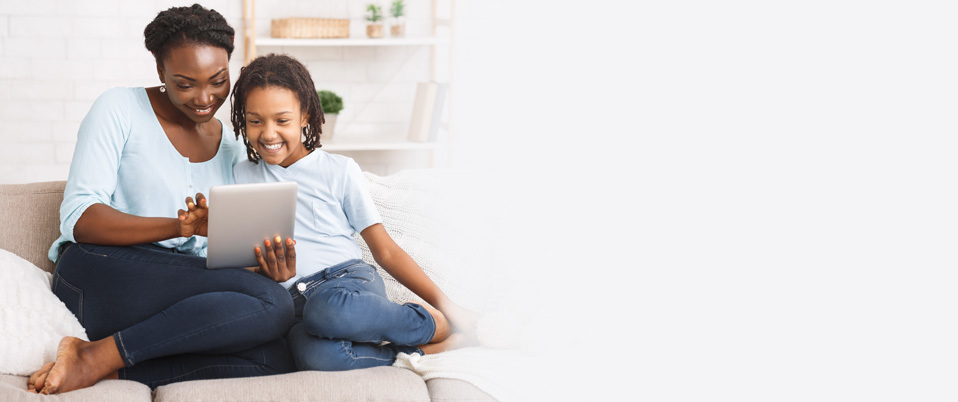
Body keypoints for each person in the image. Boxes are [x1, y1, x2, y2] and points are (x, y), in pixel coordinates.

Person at [27, 5, 295, 394]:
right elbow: (80, 218)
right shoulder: (119, 108)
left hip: (178, 293)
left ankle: (104, 365)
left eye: (218, 80)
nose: (205, 97)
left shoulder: (237, 144)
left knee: (275, 358)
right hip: (100, 274)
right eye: (185, 84)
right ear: (160, 72)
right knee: (274, 304)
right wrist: (177, 226)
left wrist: (265, 267)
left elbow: (222, 255)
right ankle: (94, 356)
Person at [215, 53, 479, 371]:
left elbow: (386, 251)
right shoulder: (240, 174)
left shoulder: (339, 170)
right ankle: (420, 351)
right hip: (292, 304)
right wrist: (265, 275)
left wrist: (447, 306)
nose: (268, 133)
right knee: (311, 355)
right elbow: (240, 262)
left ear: (305, 116)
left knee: (327, 310)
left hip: (344, 285)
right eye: (255, 121)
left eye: (282, 120)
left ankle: (429, 323)